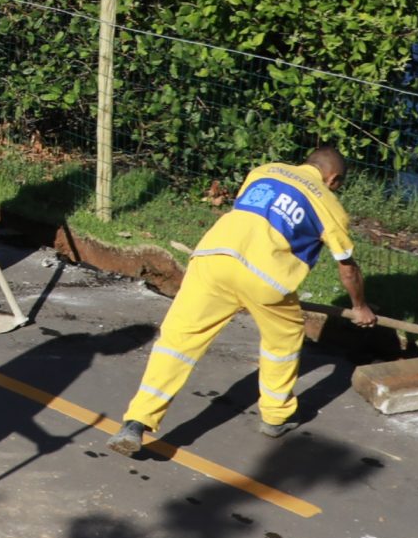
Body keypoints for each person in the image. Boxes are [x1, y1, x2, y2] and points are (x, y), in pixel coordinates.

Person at [110, 144, 377, 453]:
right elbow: (347, 269)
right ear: (333, 180)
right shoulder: (329, 205)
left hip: (211, 260)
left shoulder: (264, 172)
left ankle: (136, 422)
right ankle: (276, 418)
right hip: (266, 279)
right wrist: (360, 307)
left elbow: (250, 217)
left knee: (177, 344)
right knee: (283, 343)